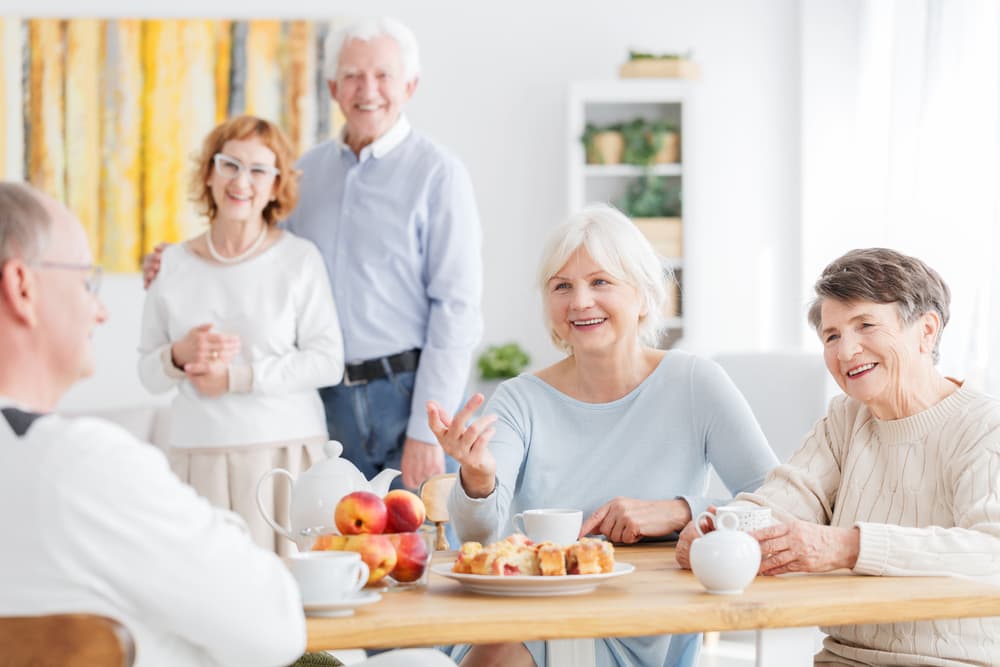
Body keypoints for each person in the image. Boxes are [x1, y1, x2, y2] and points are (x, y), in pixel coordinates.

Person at [0, 181, 460, 667]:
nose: (101, 309)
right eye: (84, 281)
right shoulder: (87, 466)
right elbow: (275, 629)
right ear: (22, 288)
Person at [427, 204, 779, 667]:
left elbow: (776, 504)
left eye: (600, 282)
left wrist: (680, 511)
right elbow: (477, 533)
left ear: (644, 295)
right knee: (492, 651)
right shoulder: (519, 399)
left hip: (642, 623)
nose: (580, 302)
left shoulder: (696, 384)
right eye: (562, 286)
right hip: (531, 613)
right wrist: (477, 479)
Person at [143, 17, 483, 493]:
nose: (368, 89)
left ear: (410, 84)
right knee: (338, 548)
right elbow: (255, 251)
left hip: (407, 393)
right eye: (352, 75)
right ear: (332, 87)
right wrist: (172, 261)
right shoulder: (305, 173)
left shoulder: (439, 174)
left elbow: (457, 306)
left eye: (383, 74)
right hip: (325, 399)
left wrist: (427, 429)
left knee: (417, 550)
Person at [676, 247, 1000, 667]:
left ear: (927, 330)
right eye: (832, 336)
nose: (846, 352)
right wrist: (722, 528)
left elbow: (991, 553)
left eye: (865, 325)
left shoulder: (984, 426)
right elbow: (782, 499)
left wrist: (851, 546)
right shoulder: (846, 418)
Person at [137, 115, 344, 555]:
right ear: (209, 173)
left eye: (258, 170)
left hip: (283, 458)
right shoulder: (170, 264)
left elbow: (327, 360)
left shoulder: (299, 260)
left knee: (293, 602)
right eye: (230, 164)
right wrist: (178, 354)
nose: (241, 181)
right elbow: (148, 373)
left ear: (275, 186)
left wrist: (238, 377)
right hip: (197, 460)